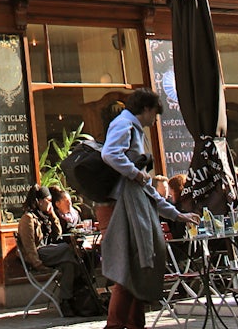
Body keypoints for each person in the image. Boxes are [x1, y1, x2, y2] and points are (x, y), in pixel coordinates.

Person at [100, 88, 199, 329]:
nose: (155, 120)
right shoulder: (126, 123)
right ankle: (116, 325)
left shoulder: (130, 126)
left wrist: (177, 214)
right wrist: (135, 174)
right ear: (145, 109)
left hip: (129, 204)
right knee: (131, 269)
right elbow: (110, 153)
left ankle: (134, 325)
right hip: (123, 206)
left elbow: (148, 189)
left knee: (135, 269)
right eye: (154, 114)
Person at [17, 185, 84, 316]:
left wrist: (52, 213)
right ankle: (82, 280)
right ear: (39, 201)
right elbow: (29, 246)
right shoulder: (28, 219)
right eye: (48, 200)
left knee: (69, 264)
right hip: (39, 254)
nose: (50, 203)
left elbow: (57, 234)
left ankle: (66, 300)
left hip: (51, 251)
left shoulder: (45, 215)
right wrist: (37, 264)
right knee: (68, 248)